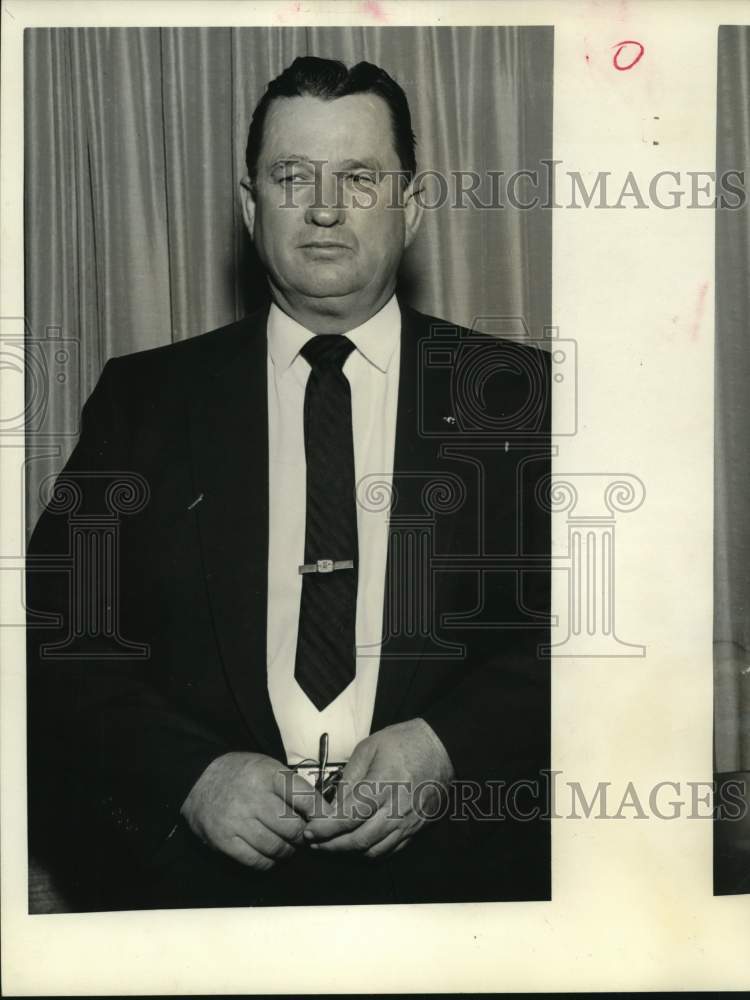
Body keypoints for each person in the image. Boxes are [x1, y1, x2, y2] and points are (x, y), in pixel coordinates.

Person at [26, 56, 551, 910]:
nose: (324, 208)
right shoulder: (145, 399)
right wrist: (190, 776)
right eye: (291, 176)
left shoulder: (516, 397)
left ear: (411, 208)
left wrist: (449, 746)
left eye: (359, 177)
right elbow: (51, 633)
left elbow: (595, 632)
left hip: (463, 891)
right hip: (198, 895)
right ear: (249, 207)